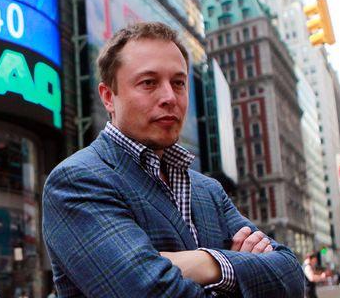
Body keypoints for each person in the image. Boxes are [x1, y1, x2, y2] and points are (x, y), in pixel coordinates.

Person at [42, 22, 305, 297]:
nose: (170, 97)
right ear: (108, 96)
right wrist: (241, 270)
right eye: (149, 83)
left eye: (178, 83)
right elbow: (149, 292)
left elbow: (291, 276)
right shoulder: (77, 181)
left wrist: (208, 262)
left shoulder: (209, 191)